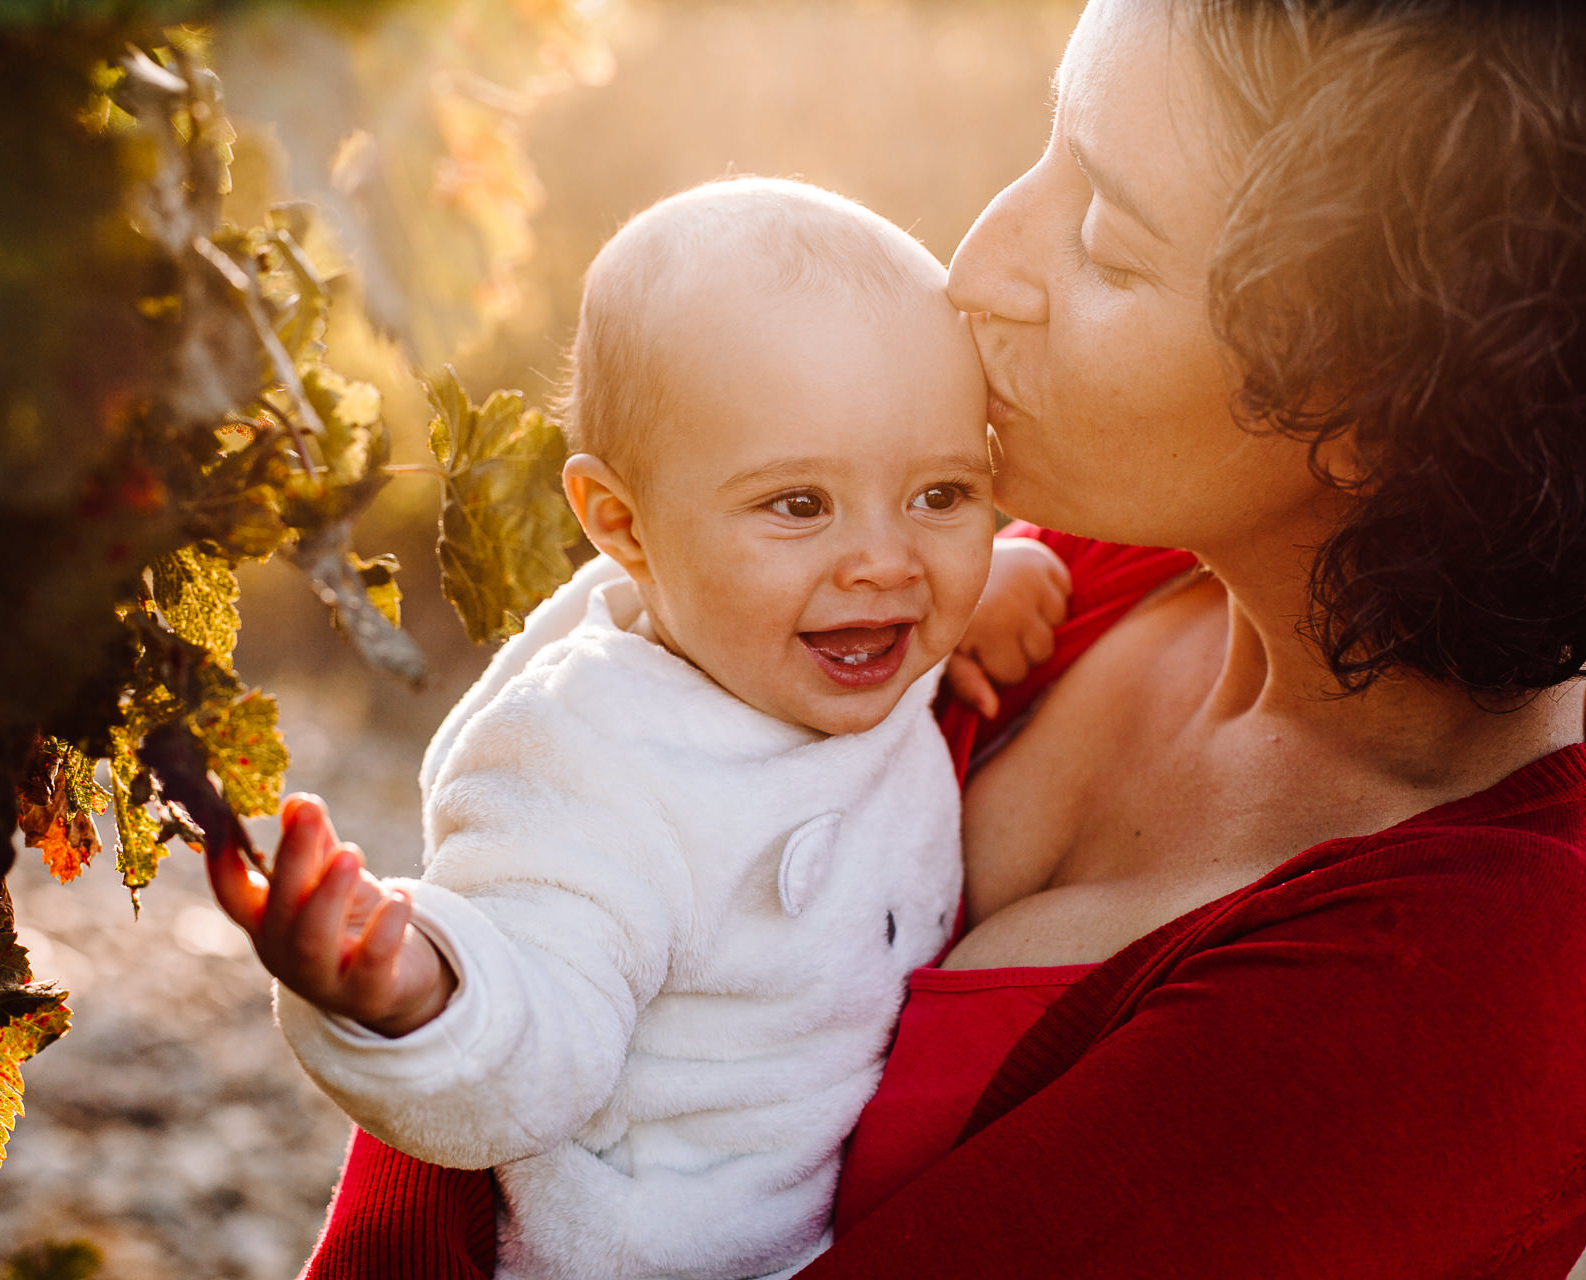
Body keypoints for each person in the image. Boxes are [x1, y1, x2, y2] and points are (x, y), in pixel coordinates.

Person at [257, 0, 1586, 1275]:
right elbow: (609, 783)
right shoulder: (1053, 539)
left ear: (1374, 411)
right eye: (1049, 144)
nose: (978, 269)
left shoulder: (1463, 1006)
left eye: (1106, 240)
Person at [210, 178, 1075, 1280]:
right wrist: (414, 989)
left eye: (942, 491)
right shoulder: (591, 765)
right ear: (623, 522)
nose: (887, 561)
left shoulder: (815, 621)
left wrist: (981, 578)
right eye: (800, 504)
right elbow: (537, 1030)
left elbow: (892, 570)